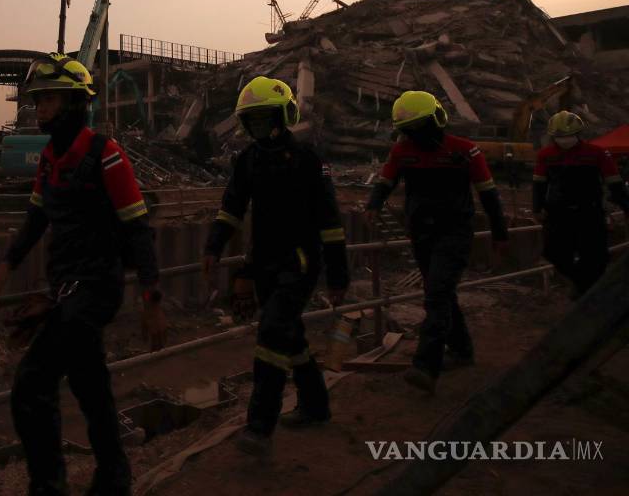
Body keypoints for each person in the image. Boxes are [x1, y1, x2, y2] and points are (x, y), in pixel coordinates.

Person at [0, 53, 163, 496]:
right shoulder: (48, 159)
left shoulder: (106, 156)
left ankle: (49, 486)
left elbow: (139, 230)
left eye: (48, 100)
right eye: (38, 100)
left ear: (74, 103)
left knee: (31, 385)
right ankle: (114, 475)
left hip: (96, 289)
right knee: (89, 383)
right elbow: (35, 220)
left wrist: (151, 299)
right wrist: (6, 267)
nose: (40, 109)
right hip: (65, 289)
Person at [201, 76, 350, 456]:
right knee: (291, 337)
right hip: (264, 263)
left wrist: (338, 276)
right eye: (251, 122)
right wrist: (213, 248)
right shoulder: (247, 161)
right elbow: (231, 208)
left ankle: (259, 427)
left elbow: (330, 222)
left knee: (271, 335)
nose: (258, 128)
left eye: (264, 119)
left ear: (284, 116)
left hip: (300, 263)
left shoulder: (309, 161)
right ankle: (316, 407)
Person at [365, 91, 508, 395]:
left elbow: (489, 196)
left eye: (420, 128)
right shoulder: (402, 152)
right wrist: (372, 206)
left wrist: (500, 234)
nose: (416, 136)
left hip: (455, 232)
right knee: (440, 293)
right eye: (410, 130)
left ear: (436, 121)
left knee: (437, 294)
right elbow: (384, 182)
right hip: (421, 233)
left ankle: (426, 365)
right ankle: (462, 350)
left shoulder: (466, 151)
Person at [533, 111, 629, 297]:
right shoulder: (546, 155)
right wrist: (537, 208)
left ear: (578, 134)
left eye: (568, 136)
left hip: (589, 213)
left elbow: (615, 183)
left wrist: (626, 206)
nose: (564, 140)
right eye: (560, 136)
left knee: (595, 258)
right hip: (558, 214)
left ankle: (587, 295)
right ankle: (582, 286)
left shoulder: (597, 153)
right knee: (554, 253)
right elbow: (539, 184)